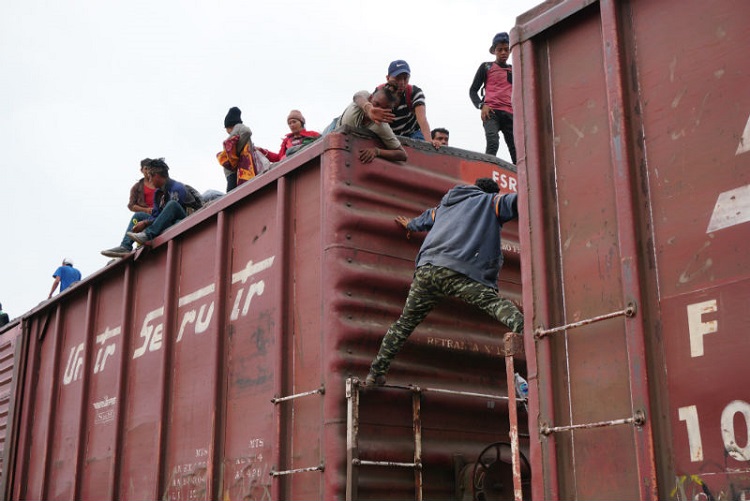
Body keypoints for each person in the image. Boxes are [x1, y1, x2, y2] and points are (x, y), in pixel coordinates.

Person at [366, 178, 524, 386]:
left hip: (426, 270)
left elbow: (425, 218)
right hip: (459, 271)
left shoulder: (448, 203)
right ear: (492, 192)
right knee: (493, 304)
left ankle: (375, 372)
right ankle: (529, 333)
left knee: (404, 324)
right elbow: (517, 201)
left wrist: (410, 225)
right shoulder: (491, 201)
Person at [101, 158, 202, 257]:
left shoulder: (177, 188)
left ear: (157, 176)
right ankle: (125, 247)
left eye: (150, 177)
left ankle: (147, 235)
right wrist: (144, 222)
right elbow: (156, 215)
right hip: (164, 222)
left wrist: (146, 223)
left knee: (172, 204)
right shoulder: (158, 194)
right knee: (139, 215)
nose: (149, 180)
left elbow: (172, 214)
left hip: (182, 221)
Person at [352, 60, 443, 149]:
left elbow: (422, 119)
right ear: (388, 78)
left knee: (421, 149)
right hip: (388, 132)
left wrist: (429, 141)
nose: (402, 83)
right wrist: (369, 109)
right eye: (397, 78)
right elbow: (361, 100)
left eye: (405, 78)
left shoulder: (414, 92)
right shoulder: (380, 92)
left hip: (411, 133)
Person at [469, 32, 517, 164]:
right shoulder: (486, 67)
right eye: (499, 49)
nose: (503, 53)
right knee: (492, 143)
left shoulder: (515, 70)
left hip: (510, 114)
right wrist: (481, 105)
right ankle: (487, 174)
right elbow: (473, 90)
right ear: (494, 51)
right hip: (491, 112)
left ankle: (520, 179)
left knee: (516, 150)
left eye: (506, 49)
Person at [337, 87, 408, 164]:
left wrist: (377, 151)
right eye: (376, 104)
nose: (378, 109)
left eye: (383, 109)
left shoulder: (382, 127)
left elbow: (402, 155)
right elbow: (357, 96)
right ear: (370, 98)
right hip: (335, 126)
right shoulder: (364, 96)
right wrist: (369, 109)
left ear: (389, 111)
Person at [217, 107, 261, 192]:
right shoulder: (237, 131)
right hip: (235, 172)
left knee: (232, 194)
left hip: (235, 172)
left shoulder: (238, 127)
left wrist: (235, 152)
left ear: (228, 126)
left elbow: (247, 131)